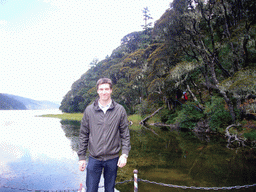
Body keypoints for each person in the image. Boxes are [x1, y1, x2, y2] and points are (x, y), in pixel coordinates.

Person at [77, 78, 131, 192]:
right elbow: (83, 135)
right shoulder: (89, 110)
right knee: (91, 189)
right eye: (101, 89)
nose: (104, 92)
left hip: (113, 158)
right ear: (97, 91)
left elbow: (125, 135)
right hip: (94, 158)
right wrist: (81, 157)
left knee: (110, 190)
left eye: (106, 89)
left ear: (111, 90)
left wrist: (124, 154)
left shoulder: (120, 110)